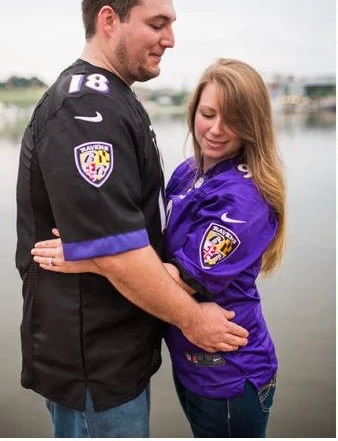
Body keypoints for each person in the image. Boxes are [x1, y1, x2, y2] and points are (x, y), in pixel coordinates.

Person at [15, 0, 248, 438]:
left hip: (117, 353)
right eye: (157, 24)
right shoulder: (85, 110)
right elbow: (118, 250)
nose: (170, 39)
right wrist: (195, 320)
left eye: (172, 26)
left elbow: (115, 242)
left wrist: (92, 255)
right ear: (109, 20)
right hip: (93, 365)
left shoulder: (113, 98)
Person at [31, 59, 286, 438]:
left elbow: (177, 279)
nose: (216, 130)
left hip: (231, 372)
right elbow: (158, 245)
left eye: (232, 120)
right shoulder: (189, 171)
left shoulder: (242, 204)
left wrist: (88, 255)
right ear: (193, 110)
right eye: (208, 114)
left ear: (254, 125)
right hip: (194, 361)